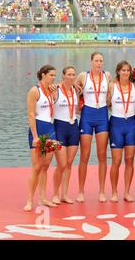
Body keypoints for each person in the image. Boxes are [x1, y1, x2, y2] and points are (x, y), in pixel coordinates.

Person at [75, 52, 111, 203]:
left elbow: (110, 93)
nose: (99, 63)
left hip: (102, 116)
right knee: (85, 155)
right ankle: (81, 191)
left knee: (102, 155)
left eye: (101, 61)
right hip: (87, 117)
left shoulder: (107, 76)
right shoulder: (83, 76)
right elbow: (72, 87)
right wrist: (77, 106)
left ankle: (102, 191)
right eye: (96, 60)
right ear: (91, 62)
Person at [107, 61, 135, 203]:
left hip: (131, 125)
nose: (125, 73)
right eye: (123, 70)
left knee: (129, 160)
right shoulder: (111, 86)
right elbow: (105, 102)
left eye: (128, 70)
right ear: (118, 71)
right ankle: (114, 192)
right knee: (116, 161)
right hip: (116, 124)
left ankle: (127, 192)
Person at [24, 65, 58, 211]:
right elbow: (31, 114)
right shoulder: (34, 91)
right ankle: (29, 200)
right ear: (43, 75)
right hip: (38, 129)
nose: (54, 77)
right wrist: (35, 136)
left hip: (50, 129)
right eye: (51, 75)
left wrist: (55, 94)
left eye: (55, 75)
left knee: (45, 166)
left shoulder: (51, 90)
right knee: (37, 167)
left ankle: (43, 198)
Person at [51, 66, 80, 205]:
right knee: (61, 164)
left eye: (73, 74)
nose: (71, 76)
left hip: (73, 127)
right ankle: (55, 194)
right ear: (63, 76)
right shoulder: (55, 90)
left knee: (69, 163)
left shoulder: (75, 90)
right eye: (68, 74)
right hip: (60, 127)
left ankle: (64, 194)